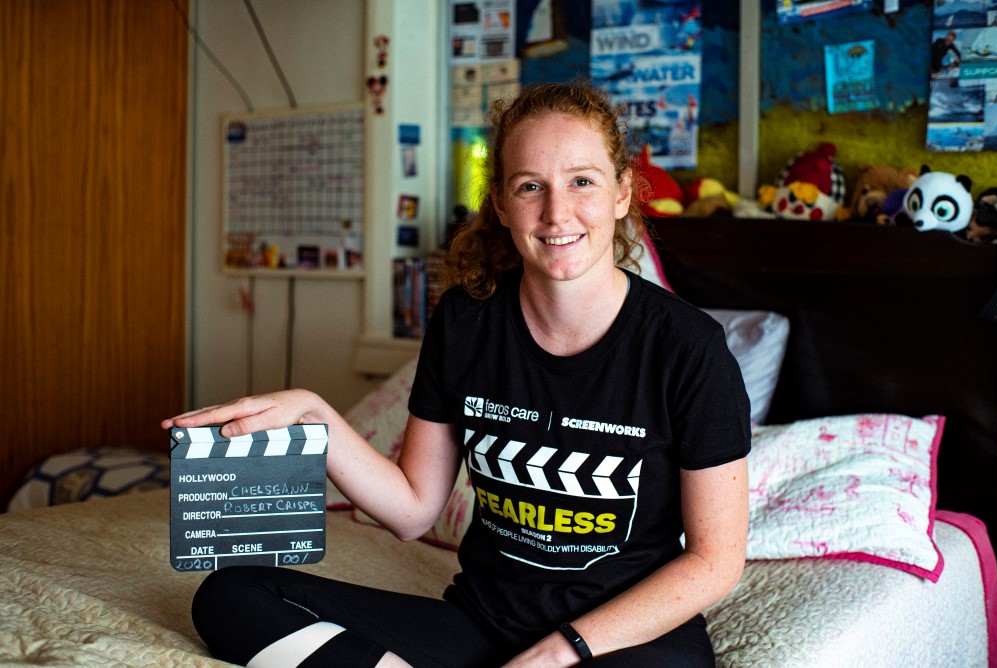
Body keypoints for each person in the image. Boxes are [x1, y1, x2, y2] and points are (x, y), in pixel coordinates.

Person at [163, 81, 750, 667]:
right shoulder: (466, 322)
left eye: (581, 181)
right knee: (233, 596)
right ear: (500, 203)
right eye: (530, 187)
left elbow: (714, 562)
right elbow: (415, 509)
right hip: (482, 625)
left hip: (622, 641)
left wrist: (559, 652)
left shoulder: (689, 348)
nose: (556, 212)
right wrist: (315, 413)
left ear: (622, 192)